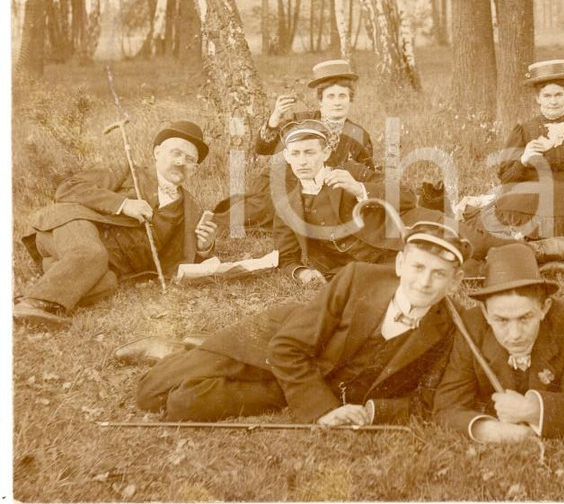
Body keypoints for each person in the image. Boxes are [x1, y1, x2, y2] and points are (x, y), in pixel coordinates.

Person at [134, 219, 472, 424]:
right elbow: (287, 347)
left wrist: (371, 412)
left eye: (439, 274)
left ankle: (196, 347)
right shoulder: (359, 279)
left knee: (182, 404)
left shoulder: (451, 329)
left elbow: (427, 398)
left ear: (454, 282)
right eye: (417, 267)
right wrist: (324, 410)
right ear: (400, 264)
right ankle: (175, 349)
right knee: (150, 393)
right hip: (276, 344)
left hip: (303, 381)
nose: (424, 282)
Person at [15, 121, 217, 330]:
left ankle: (51, 277)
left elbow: (180, 259)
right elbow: (68, 189)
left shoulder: (191, 208)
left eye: (190, 159)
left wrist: (204, 247)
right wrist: (123, 204)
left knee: (107, 283)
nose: (181, 162)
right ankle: (35, 304)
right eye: (176, 153)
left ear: (195, 168)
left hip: (107, 266)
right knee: (91, 252)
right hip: (70, 226)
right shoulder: (126, 171)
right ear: (158, 152)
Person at [433, 243, 564, 442]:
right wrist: (493, 431)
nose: (514, 335)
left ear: (544, 308)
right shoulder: (471, 325)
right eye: (501, 320)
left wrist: (533, 411)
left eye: (525, 318)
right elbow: (446, 408)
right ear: (485, 313)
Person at [212, 59, 378, 233]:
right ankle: (213, 223)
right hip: (285, 181)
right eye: (331, 96)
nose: (337, 102)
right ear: (321, 101)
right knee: (269, 207)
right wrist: (275, 118)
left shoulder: (359, 135)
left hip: (323, 193)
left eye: (342, 96)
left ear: (350, 99)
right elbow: (263, 148)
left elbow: (366, 176)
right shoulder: (301, 121)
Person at [272, 120, 411, 284]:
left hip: (394, 257)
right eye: (295, 154)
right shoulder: (286, 207)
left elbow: (408, 197)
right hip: (344, 276)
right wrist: (302, 273)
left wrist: (359, 188)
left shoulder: (351, 172)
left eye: (309, 152)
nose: (302, 161)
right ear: (287, 157)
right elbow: (287, 258)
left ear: (326, 153)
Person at [486, 59, 564, 242]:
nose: (553, 101)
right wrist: (523, 160)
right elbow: (505, 178)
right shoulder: (524, 129)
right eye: (547, 96)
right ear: (538, 99)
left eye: (558, 94)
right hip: (531, 192)